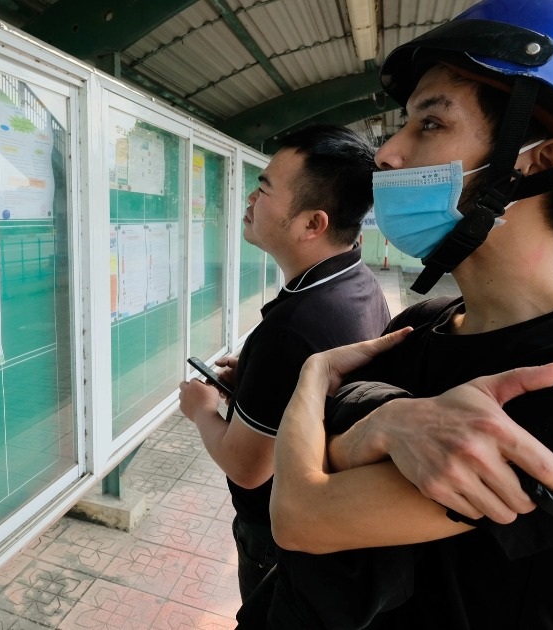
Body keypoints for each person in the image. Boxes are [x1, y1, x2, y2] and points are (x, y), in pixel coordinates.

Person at [254, 1, 553, 628]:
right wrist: (380, 419)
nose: (388, 153)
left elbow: (301, 515)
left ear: (537, 160)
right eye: (402, 125)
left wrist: (317, 381)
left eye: (430, 125)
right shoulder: (429, 322)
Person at [177, 125, 390, 601]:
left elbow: (247, 466)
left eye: (265, 188)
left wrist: (201, 409)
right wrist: (252, 381)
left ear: (312, 224)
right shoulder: (356, 282)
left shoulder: (295, 327)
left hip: (272, 538)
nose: (251, 198)